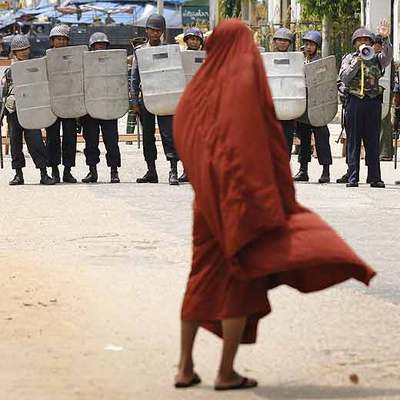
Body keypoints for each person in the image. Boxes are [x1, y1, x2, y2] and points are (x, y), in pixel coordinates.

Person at [173, 20, 375, 391]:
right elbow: (265, 143)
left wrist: (203, 179)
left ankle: (184, 368)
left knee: (200, 277)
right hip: (242, 199)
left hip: (206, 202)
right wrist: (278, 196)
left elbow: (183, 135)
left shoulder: (196, 90)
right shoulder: (246, 87)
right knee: (238, 282)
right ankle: (225, 372)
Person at [339, 22, 393, 188]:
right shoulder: (349, 58)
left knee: (372, 141)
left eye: (366, 40)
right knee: (353, 140)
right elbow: (344, 77)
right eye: (359, 40)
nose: (363, 43)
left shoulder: (377, 58)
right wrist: (357, 62)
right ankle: (353, 176)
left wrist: (385, 38)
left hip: (372, 102)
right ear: (355, 43)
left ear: (371, 43)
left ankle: (374, 177)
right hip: (354, 102)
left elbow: (388, 57)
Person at [130, 14, 180, 186]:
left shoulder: (170, 51)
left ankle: (173, 170)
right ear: (147, 31)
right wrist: (134, 101)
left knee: (168, 135)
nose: (155, 33)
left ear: (163, 32)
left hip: (165, 98)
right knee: (148, 137)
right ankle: (151, 171)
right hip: (146, 99)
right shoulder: (140, 51)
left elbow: (174, 75)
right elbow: (134, 77)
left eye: (158, 30)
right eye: (152, 30)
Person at [3, 35, 54, 186]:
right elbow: (5, 92)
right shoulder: (9, 71)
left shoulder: (34, 67)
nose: (23, 52)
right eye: (20, 50)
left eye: (25, 49)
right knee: (15, 142)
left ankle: (44, 173)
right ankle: (18, 174)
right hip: (14, 110)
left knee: (36, 141)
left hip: (31, 108)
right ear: (14, 52)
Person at [80, 32, 121, 184]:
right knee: (90, 142)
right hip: (89, 108)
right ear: (92, 47)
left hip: (109, 106)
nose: (101, 47)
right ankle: (92, 171)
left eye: (103, 45)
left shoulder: (113, 63)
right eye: (98, 45)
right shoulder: (84, 63)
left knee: (112, 141)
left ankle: (114, 171)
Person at [293, 31, 333, 183]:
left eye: (312, 45)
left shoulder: (322, 63)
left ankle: (326, 171)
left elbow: (328, 83)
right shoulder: (299, 61)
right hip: (304, 108)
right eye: (307, 44)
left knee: (322, 140)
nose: (308, 47)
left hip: (319, 107)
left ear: (317, 47)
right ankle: (303, 170)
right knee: (303, 141)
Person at [45, 24, 78, 184]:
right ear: (52, 41)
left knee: (70, 137)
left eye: (64, 39)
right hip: (52, 103)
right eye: (58, 39)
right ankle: (54, 169)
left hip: (70, 102)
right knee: (52, 138)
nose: (62, 42)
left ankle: (67, 170)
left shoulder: (73, 57)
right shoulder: (46, 58)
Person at [177, 27, 205, 184]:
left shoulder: (208, 57)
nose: (194, 41)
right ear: (186, 40)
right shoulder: (180, 57)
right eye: (191, 39)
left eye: (196, 39)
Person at [271, 27, 295, 157]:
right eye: (279, 40)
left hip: (289, 104)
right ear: (274, 42)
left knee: (287, 139)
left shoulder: (296, 60)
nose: (282, 43)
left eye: (286, 40)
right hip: (272, 105)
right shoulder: (267, 59)